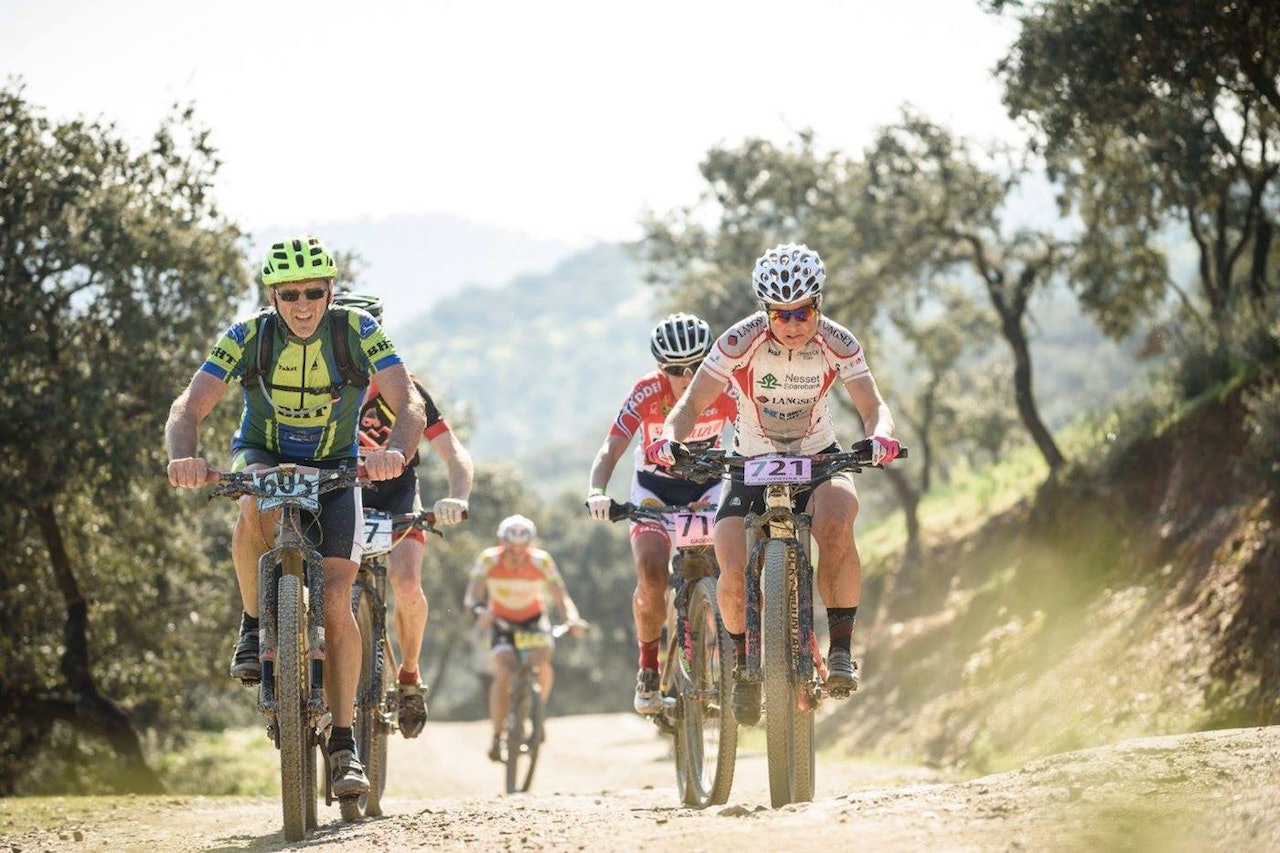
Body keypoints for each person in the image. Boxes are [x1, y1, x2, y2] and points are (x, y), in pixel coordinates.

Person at [165, 236, 428, 797]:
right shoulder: (247, 336)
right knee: (251, 502)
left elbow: (409, 404)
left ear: (331, 290)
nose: (303, 305)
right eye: (290, 295)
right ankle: (255, 624)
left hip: (336, 463)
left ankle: (343, 743)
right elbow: (189, 406)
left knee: (336, 597)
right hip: (262, 451)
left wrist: (394, 454)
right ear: (273, 296)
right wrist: (183, 456)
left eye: (314, 292)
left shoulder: (356, 332)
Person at [644, 243, 901, 726]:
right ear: (765, 311)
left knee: (838, 521)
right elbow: (692, 404)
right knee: (731, 568)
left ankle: (841, 649)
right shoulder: (738, 342)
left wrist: (882, 436)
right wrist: (669, 440)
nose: (792, 324)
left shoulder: (838, 342)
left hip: (818, 456)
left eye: (802, 310)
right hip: (750, 463)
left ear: (818, 304)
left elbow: (873, 406)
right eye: (780, 314)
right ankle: (744, 668)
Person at [334, 291, 475, 740]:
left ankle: (410, 677)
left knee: (407, 583)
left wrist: (457, 496)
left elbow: (453, 453)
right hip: (341, 493)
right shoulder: (317, 386)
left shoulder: (405, 389)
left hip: (396, 496)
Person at [584, 314, 737, 714]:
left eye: (697, 365)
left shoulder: (728, 386)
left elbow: (755, 434)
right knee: (652, 573)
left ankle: (734, 658)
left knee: (732, 564)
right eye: (674, 369)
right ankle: (648, 669)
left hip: (708, 487)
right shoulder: (645, 393)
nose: (687, 376)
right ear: (660, 369)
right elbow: (611, 448)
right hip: (655, 491)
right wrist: (597, 491)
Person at [463, 515, 589, 761]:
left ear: (532, 544)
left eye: (524, 549)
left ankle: (537, 713)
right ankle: (497, 735)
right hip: (501, 622)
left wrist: (572, 619)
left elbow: (562, 597)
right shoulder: (489, 559)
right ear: (502, 543)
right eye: (512, 549)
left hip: (533, 621)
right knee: (504, 669)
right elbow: (471, 597)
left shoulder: (542, 561)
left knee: (543, 658)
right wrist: (479, 611)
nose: (518, 555)